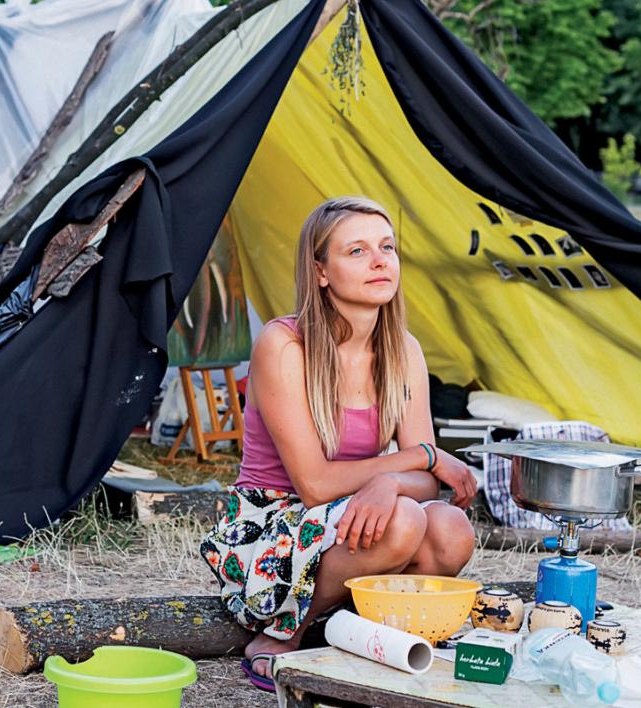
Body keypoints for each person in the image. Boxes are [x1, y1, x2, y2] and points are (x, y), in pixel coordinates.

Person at [199, 196, 478, 692]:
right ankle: (284, 631)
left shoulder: (404, 351)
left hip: (351, 517)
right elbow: (314, 485)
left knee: (450, 529)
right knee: (403, 521)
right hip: (272, 527)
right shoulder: (285, 345)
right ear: (321, 271)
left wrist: (393, 481)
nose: (379, 261)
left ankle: (371, 635)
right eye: (357, 251)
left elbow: (425, 484)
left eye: (387, 247)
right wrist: (421, 459)